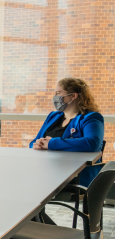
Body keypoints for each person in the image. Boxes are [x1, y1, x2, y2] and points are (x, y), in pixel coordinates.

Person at [29, 78, 104, 225]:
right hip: (45, 172)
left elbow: (92, 143)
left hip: (73, 176)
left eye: (58, 93)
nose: (55, 97)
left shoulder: (91, 118)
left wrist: (51, 143)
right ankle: (39, 228)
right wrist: (37, 144)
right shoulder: (53, 116)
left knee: (24, 192)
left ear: (73, 96)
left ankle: (40, 230)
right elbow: (35, 141)